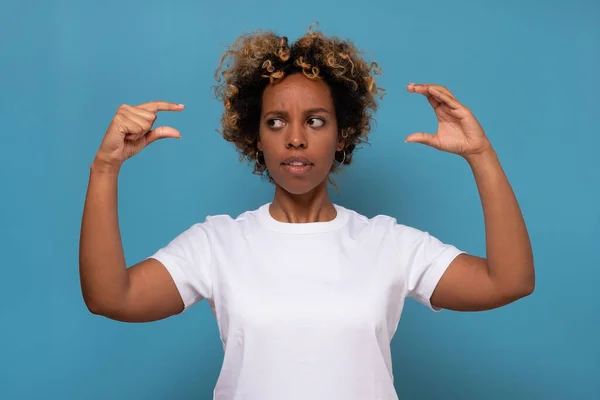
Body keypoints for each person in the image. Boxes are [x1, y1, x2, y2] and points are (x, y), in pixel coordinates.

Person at [79, 25, 535, 400]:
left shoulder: (389, 242)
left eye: (315, 121)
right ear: (256, 137)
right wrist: (105, 168)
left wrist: (481, 154)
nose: (295, 138)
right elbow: (110, 298)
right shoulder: (217, 243)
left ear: (342, 135)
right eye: (276, 122)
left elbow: (508, 282)